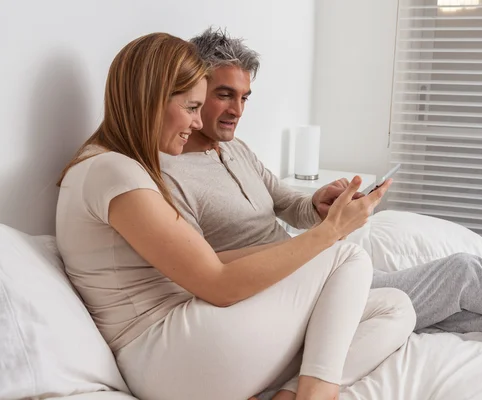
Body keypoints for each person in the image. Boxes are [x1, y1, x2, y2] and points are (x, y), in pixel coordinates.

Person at [161, 27, 482, 355]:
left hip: (321, 271)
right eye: (224, 95)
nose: (237, 110)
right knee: (465, 272)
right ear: (194, 89)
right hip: (292, 295)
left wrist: (317, 204)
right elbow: (203, 270)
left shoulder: (235, 149)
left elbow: (284, 202)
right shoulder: (167, 173)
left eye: (245, 98)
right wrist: (327, 234)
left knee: (469, 310)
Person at [55, 32, 416, 400]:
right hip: (166, 355)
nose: (197, 123)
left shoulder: (116, 167)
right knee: (347, 256)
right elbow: (219, 284)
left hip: (187, 344)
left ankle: (290, 394)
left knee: (395, 308)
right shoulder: (114, 172)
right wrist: (331, 233)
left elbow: (205, 264)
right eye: (192, 107)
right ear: (151, 99)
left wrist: (314, 242)